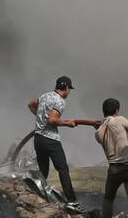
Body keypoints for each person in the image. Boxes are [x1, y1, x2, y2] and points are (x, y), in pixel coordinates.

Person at [27, 75, 85, 210]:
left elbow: (31, 104)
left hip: (38, 138)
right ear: (65, 88)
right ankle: (72, 202)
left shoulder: (45, 96)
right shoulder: (59, 101)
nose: (69, 92)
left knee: (43, 170)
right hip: (50, 140)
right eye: (69, 89)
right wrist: (67, 123)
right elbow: (52, 120)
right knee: (63, 169)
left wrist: (39, 116)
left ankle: (36, 194)